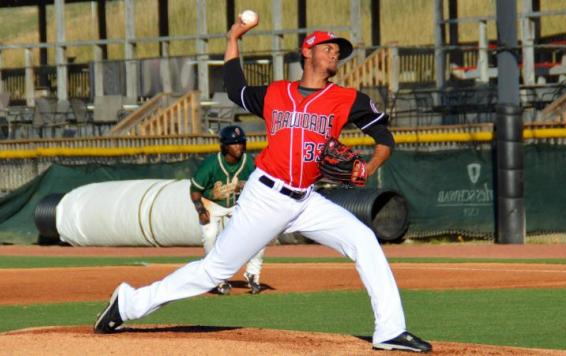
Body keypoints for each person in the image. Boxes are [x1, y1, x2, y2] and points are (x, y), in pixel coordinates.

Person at [95, 15, 432, 353]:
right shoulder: (276, 92)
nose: (335, 54)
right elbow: (235, 88)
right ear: (307, 52)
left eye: (338, 51)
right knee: (215, 271)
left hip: (307, 201)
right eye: (328, 48)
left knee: (364, 240)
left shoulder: (348, 99)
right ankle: (128, 304)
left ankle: (390, 331)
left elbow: (383, 138)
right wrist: (233, 39)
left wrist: (371, 166)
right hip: (266, 197)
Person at [190, 125, 264, 295]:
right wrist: (200, 209)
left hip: (238, 204)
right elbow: (194, 189)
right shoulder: (212, 164)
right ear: (224, 146)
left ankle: (253, 274)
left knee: (261, 232)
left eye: (241, 142)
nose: (238, 146)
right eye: (233, 143)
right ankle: (217, 278)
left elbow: (260, 185)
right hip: (212, 203)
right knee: (209, 235)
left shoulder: (249, 162)